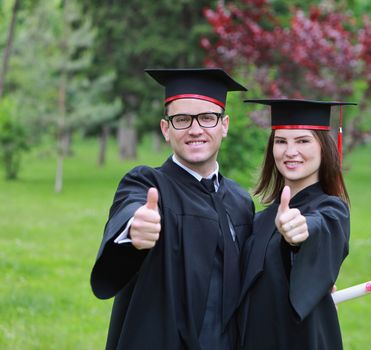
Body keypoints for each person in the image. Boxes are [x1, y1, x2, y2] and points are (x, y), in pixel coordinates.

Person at [90, 68, 254, 350]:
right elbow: (130, 208)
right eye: (181, 119)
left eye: (207, 118)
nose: (195, 129)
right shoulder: (147, 183)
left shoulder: (240, 202)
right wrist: (134, 228)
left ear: (224, 125)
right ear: (166, 129)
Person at [238, 99, 353, 350]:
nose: (290, 151)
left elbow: (320, 227)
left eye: (302, 141)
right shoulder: (261, 219)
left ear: (324, 148)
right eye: (281, 142)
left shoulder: (332, 210)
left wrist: (300, 233)